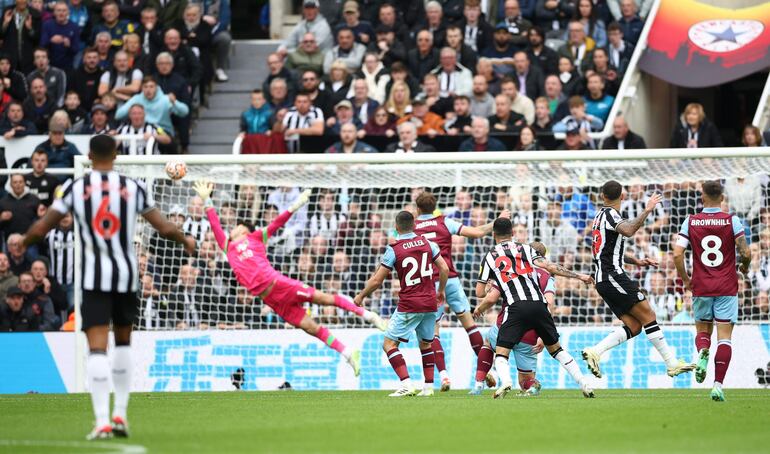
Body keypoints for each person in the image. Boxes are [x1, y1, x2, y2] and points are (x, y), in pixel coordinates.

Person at [24, 135, 195, 440]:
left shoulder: (76, 188)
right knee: (124, 343)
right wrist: (186, 240)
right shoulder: (133, 187)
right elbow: (165, 227)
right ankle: (122, 414)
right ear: (116, 154)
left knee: (98, 348)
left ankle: (102, 419)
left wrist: (22, 241)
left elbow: (41, 229)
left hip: (93, 279)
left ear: (89, 156)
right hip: (127, 276)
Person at [195, 180, 386, 374]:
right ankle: (348, 353)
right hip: (271, 300)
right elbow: (215, 225)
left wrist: (295, 206)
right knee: (310, 328)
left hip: (279, 284)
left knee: (324, 299)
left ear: (244, 230)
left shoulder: (255, 238)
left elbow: (277, 222)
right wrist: (206, 200)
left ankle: (370, 316)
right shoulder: (228, 248)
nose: (233, 229)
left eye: (238, 227)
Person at [581, 180, 696, 381]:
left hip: (605, 278)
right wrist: (648, 209)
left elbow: (607, 251)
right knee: (649, 314)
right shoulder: (610, 215)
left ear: (602, 196)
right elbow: (629, 230)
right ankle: (671, 363)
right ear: (623, 197)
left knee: (634, 326)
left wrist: (636, 261)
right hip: (612, 276)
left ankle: (596, 351)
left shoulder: (598, 217)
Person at [473, 217, 596, 398]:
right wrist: (579, 276)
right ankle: (584, 383)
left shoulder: (490, 256)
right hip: (539, 307)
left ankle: (505, 382)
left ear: (493, 235)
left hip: (516, 308)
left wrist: (490, 285)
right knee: (557, 350)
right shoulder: (526, 249)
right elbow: (549, 266)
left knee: (501, 352)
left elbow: (479, 292)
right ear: (513, 233)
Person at [413, 191, 506, 391]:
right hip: (451, 280)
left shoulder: (411, 228)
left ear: (418, 209)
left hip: (429, 284)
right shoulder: (445, 222)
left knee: (433, 332)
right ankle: (488, 371)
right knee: (470, 325)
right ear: (435, 206)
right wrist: (496, 222)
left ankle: (444, 375)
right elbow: (478, 232)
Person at [354, 210, 449, 397]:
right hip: (430, 302)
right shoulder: (428, 244)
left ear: (396, 228)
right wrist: (441, 291)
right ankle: (428, 387)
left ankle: (406, 384)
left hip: (410, 303)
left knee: (389, 344)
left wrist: (360, 296)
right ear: (414, 225)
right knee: (426, 345)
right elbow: (444, 268)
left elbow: (376, 281)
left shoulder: (394, 249)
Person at [673, 180, 751, 402]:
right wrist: (744, 267)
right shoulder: (731, 220)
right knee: (724, 339)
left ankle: (702, 353)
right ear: (722, 198)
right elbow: (746, 252)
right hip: (727, 286)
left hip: (702, 287)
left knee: (703, 333)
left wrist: (687, 280)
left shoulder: (691, 221)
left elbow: (677, 254)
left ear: (702, 198)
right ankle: (717, 386)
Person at [470, 241, 553, 396]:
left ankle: (479, 384)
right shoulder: (548, 277)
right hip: (532, 333)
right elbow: (549, 304)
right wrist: (543, 334)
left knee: (489, 343)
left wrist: (479, 309)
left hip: (508, 324)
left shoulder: (511, 269)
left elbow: (491, 298)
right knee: (524, 381)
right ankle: (532, 386)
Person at [115, 75, 189, 145]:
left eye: (151, 87)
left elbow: (185, 112)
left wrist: (175, 102)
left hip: (162, 130)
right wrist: (131, 106)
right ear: (141, 88)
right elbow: (118, 115)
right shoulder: (136, 99)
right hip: (143, 129)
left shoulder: (165, 99)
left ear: (156, 88)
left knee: (169, 144)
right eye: (145, 87)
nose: (148, 90)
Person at [40, 2, 80, 70]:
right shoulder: (47, 25)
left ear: (68, 12)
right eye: (58, 10)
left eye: (64, 10)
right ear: (54, 12)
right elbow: (41, 46)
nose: (61, 13)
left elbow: (76, 50)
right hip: (50, 66)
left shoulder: (74, 27)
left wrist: (68, 46)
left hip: (67, 66)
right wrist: (51, 41)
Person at [0, 173, 40, 239]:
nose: (18, 184)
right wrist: (1, 218)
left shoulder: (34, 200)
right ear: (10, 185)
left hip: (29, 240)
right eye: (15, 182)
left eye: (20, 182)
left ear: (24, 183)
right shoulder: (2, 202)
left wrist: (41, 216)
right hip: (10, 241)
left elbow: (41, 222)